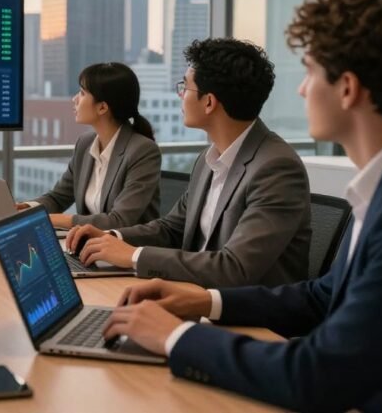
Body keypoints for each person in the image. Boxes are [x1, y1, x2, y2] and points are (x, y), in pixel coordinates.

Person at [103, 0, 382, 412]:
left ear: (348, 88)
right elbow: (322, 297)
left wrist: (175, 336)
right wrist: (205, 301)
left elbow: (320, 375)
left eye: (310, 72)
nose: (301, 89)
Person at [66, 38, 311, 288]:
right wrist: (111, 237)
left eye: (185, 87)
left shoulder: (276, 168)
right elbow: (172, 228)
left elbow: (234, 267)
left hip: (243, 307)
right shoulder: (209, 159)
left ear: (209, 102)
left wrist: (133, 256)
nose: (180, 95)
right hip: (194, 292)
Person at [19, 62, 161, 230]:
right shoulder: (85, 144)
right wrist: (25, 209)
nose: (75, 99)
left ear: (102, 107)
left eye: (82, 93)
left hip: (126, 244)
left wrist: (54, 220)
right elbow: (58, 198)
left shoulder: (142, 151)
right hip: (91, 243)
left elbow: (119, 221)